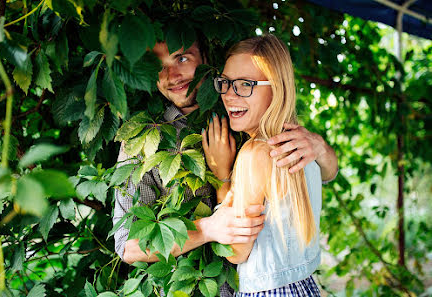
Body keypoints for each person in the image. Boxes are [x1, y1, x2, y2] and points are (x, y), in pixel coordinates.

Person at [113, 37, 337, 295]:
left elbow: (323, 173)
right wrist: (206, 229)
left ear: (206, 61)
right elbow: (128, 246)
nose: (171, 75)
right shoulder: (139, 142)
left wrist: (320, 147)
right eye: (157, 65)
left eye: (182, 58)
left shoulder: (248, 117)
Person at [203, 34, 324, 296]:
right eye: (225, 83)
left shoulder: (255, 154)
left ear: (277, 88)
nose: (229, 95)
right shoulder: (304, 147)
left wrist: (222, 178)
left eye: (245, 84)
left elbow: (235, 251)